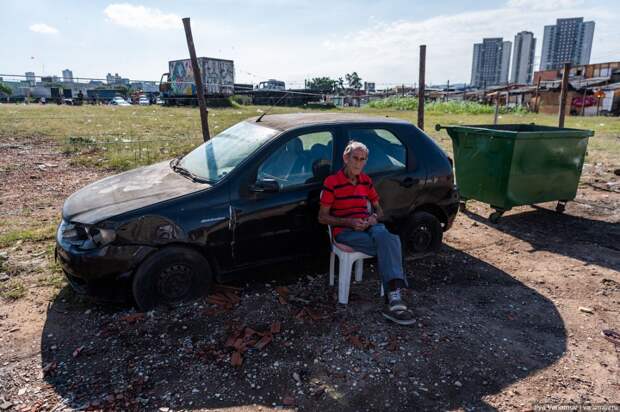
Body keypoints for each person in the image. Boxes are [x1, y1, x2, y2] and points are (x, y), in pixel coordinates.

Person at [318, 141, 415, 325]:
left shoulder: (366, 180)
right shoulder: (332, 182)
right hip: (346, 231)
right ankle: (394, 296)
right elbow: (322, 217)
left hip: (370, 227)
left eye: (362, 160)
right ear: (346, 158)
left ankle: (393, 295)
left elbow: (379, 211)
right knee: (392, 243)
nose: (358, 163)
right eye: (355, 158)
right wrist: (349, 222)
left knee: (387, 237)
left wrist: (373, 219)